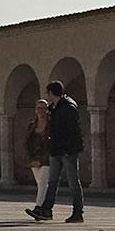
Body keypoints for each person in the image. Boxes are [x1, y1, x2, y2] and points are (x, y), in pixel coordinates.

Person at [28, 80, 85, 223]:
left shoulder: (68, 107)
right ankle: (46, 210)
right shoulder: (56, 107)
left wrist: (68, 148)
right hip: (57, 150)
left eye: (48, 93)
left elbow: (74, 131)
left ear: (51, 93)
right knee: (52, 181)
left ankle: (78, 212)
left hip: (67, 151)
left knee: (73, 182)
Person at [23, 100, 50, 209]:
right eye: (39, 108)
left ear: (47, 110)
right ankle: (46, 208)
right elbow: (27, 142)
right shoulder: (32, 125)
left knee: (43, 184)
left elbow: (53, 144)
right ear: (35, 110)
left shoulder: (51, 125)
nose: (41, 111)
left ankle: (38, 207)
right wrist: (31, 159)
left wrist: (42, 160)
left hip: (47, 159)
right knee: (41, 185)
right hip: (34, 158)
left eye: (43, 108)